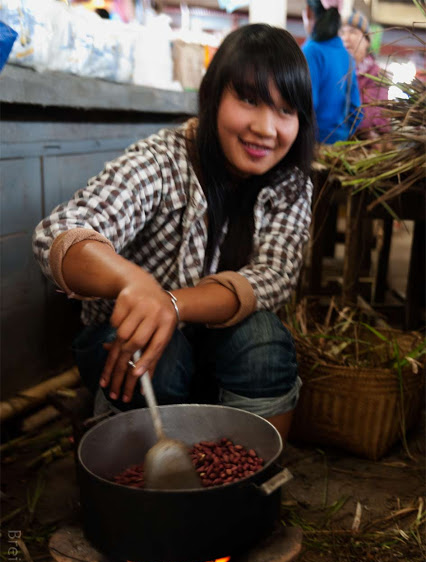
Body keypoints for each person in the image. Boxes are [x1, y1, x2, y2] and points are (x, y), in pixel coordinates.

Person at [32, 23, 315, 447]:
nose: (265, 128)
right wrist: (133, 282)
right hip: (133, 353)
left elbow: (272, 277)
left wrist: (171, 304)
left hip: (219, 349)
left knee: (265, 342)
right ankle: (141, 472)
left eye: (285, 110)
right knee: (160, 358)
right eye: (249, 100)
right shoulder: (162, 160)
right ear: (213, 95)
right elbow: (59, 233)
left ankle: (246, 485)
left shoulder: (292, 185)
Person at [302, 0, 362, 143]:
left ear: (309, 12)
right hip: (338, 150)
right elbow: (357, 112)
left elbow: (306, 106)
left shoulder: (311, 51)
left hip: (312, 147)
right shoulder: (346, 55)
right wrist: (340, 137)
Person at [340, 11, 389, 138]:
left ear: (366, 41)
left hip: (365, 147)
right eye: (342, 33)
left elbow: (366, 119)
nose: (346, 37)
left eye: (352, 32)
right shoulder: (339, 71)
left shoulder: (377, 75)